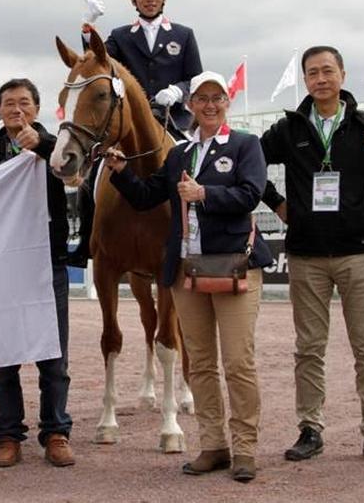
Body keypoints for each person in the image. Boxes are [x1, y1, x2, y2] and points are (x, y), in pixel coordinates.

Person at [105, 71, 272, 482]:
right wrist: (122, 172)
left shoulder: (246, 144)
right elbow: (148, 197)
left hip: (233, 265)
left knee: (238, 362)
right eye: (202, 98)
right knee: (199, 364)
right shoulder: (179, 153)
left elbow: (252, 193)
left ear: (226, 102)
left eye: (217, 97)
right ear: (191, 105)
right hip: (185, 269)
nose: (210, 104)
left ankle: (246, 448)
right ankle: (213, 445)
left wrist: (206, 195)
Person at [259, 46, 364, 465]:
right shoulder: (288, 128)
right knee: (308, 348)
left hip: (359, 252)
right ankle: (310, 429)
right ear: (306, 81)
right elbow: (248, 165)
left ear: (343, 75)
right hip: (306, 254)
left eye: (328, 70)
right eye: (313, 73)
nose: (321, 79)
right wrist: (277, 204)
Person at [69, 0, 204, 268]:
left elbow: (195, 78)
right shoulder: (120, 36)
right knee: (94, 173)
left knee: (198, 167)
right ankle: (86, 241)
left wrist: (178, 92)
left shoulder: (183, 35)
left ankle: (198, 237)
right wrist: (87, 28)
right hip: (129, 121)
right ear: (134, 0)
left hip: (172, 119)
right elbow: (98, 62)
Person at [0, 78, 73, 468]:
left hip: (48, 261)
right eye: (9, 103)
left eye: (25, 103)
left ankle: (56, 432)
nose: (17, 109)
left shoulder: (59, 144)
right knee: (2, 356)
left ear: (37, 108)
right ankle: (9, 434)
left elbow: (73, 170)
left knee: (54, 355)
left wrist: (44, 146)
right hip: (1, 265)